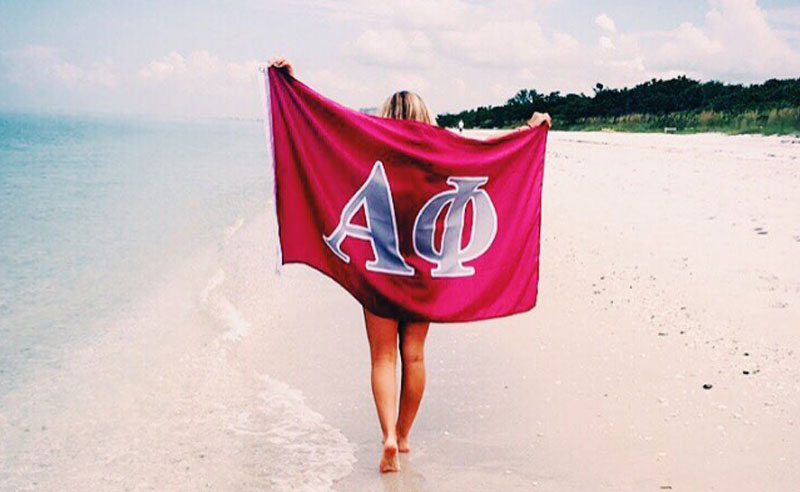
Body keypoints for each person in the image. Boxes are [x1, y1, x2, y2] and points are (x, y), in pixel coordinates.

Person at [267, 56, 550, 473]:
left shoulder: (371, 149)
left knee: (383, 358)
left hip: (379, 271)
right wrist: (530, 129)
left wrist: (291, 85)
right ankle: (402, 436)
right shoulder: (441, 152)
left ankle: (385, 435)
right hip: (423, 274)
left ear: (384, 116)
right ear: (425, 116)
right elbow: (486, 155)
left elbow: (325, 125)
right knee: (414, 356)